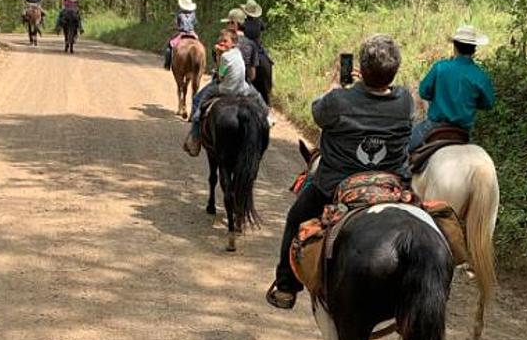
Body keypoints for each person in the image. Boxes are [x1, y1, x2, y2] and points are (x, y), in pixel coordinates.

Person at [266, 34, 414, 309]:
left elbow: (317, 113)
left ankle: (286, 285)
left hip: (336, 184)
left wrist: (335, 85)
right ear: (394, 71)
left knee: (296, 216)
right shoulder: (405, 101)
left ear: (361, 67)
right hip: (391, 185)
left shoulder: (338, 100)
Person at [408, 24, 495, 152]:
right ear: (474, 49)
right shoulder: (480, 75)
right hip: (463, 131)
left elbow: (423, 92)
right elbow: (488, 104)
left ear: (455, 47)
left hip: (435, 126)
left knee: (404, 148)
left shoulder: (440, 67)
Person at [182, 29, 268, 157]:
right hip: (242, 87)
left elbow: (220, 76)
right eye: (221, 40)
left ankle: (195, 133)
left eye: (225, 41)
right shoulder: (238, 53)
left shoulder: (224, 56)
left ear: (233, 43)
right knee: (258, 96)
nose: (222, 42)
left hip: (226, 88)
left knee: (199, 100)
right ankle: (266, 116)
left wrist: (218, 56)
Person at [240, 0, 275, 107]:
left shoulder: (243, 24)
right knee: (268, 61)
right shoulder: (259, 22)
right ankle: (268, 89)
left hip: (247, 47)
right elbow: (264, 28)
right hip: (258, 48)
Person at [164, 0, 198, 69]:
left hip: (182, 33)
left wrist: (176, 27)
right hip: (192, 33)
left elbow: (176, 24)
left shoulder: (179, 13)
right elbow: (195, 23)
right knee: (199, 44)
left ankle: (167, 63)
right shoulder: (193, 14)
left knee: (169, 46)